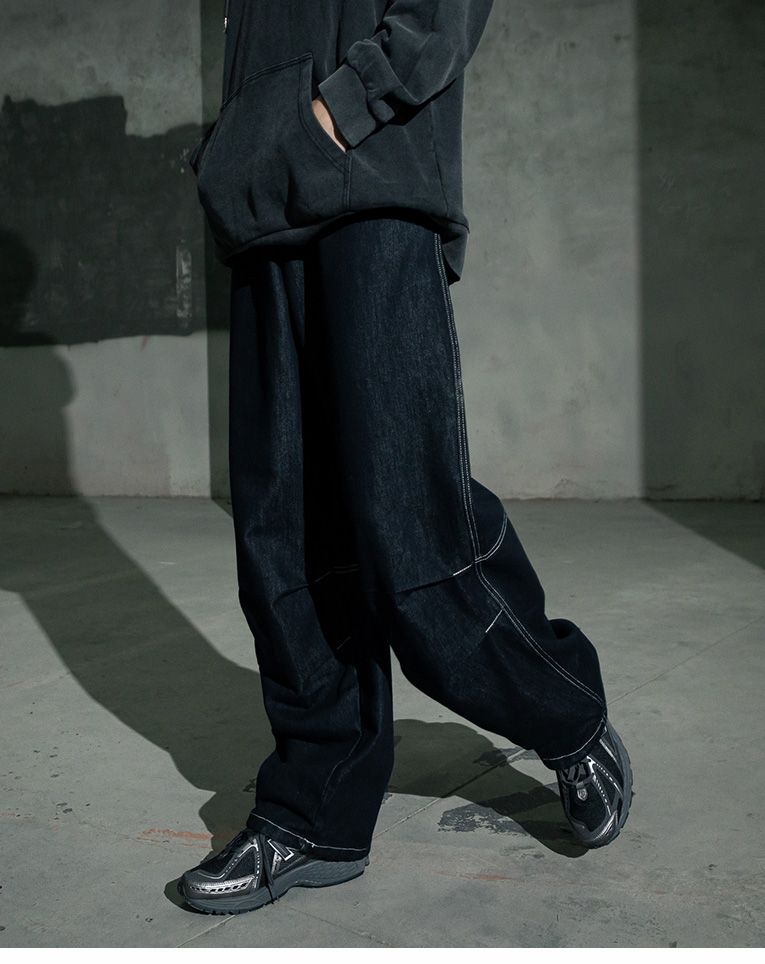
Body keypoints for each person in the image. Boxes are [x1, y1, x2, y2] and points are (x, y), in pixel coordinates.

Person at [178, 0, 632, 916]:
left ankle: (565, 712)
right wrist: (240, 148)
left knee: (410, 520)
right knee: (285, 532)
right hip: (266, 204)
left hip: (371, 179)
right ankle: (315, 809)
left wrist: (338, 111)